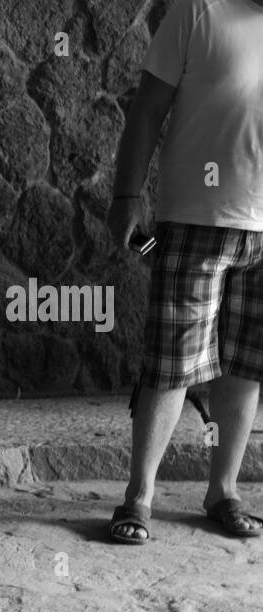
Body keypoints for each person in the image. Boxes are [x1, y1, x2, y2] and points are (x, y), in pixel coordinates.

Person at [107, 0, 263, 544]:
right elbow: (148, 108)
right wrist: (127, 194)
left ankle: (223, 491)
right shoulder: (199, 10)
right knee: (170, 362)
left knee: (247, 363)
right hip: (197, 219)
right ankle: (138, 498)